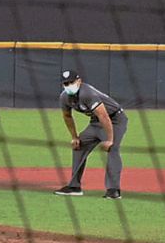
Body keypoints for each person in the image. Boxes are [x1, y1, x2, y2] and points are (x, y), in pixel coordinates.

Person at [54, 69, 128, 199]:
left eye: (71, 82)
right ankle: (74, 187)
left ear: (79, 81)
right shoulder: (65, 97)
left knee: (112, 149)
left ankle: (113, 190)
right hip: (95, 122)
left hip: (115, 120)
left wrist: (110, 139)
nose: (68, 86)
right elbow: (67, 116)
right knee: (79, 146)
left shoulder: (87, 94)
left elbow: (104, 116)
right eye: (65, 84)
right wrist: (74, 137)